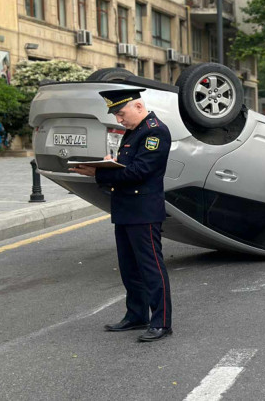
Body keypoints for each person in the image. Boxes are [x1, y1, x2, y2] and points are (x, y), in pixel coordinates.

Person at [70, 88, 173, 342]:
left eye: (120, 113)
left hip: (143, 211)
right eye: (116, 115)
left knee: (151, 268)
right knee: (129, 268)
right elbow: (127, 167)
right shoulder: (134, 131)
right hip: (126, 208)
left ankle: (161, 322)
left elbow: (139, 172)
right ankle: (137, 315)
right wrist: (109, 163)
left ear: (138, 107)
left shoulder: (154, 131)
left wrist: (98, 173)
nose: (118, 119)